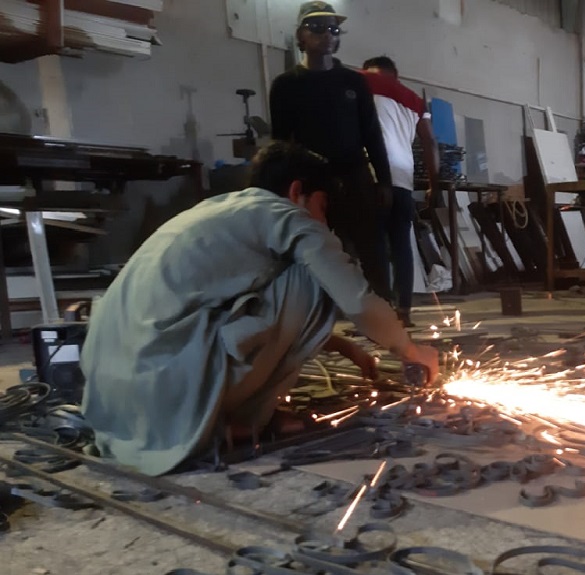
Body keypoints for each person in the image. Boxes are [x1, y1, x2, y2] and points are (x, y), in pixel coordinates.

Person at [80, 141, 440, 477]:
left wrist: (343, 345)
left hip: (120, 406)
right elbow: (357, 299)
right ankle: (237, 420)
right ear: (297, 191)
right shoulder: (285, 215)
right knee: (318, 273)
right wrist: (410, 350)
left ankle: (217, 415)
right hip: (169, 402)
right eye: (322, 207)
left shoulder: (220, 211)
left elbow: (214, 310)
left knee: (309, 271)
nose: (322, 221)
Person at [269, 2, 393, 300]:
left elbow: (372, 134)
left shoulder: (353, 83)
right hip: (311, 180)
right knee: (312, 249)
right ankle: (314, 313)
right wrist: (281, 190)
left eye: (333, 29)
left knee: (372, 248)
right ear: (300, 35)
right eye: (317, 28)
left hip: (354, 175)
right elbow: (281, 142)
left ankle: (385, 311)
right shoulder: (286, 85)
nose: (326, 34)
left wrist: (384, 181)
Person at [363, 55, 439, 327]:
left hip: (372, 177)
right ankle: (403, 312)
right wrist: (433, 185)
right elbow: (430, 142)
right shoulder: (414, 100)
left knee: (373, 248)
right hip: (403, 180)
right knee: (401, 247)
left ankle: (379, 316)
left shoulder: (360, 83)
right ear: (395, 74)